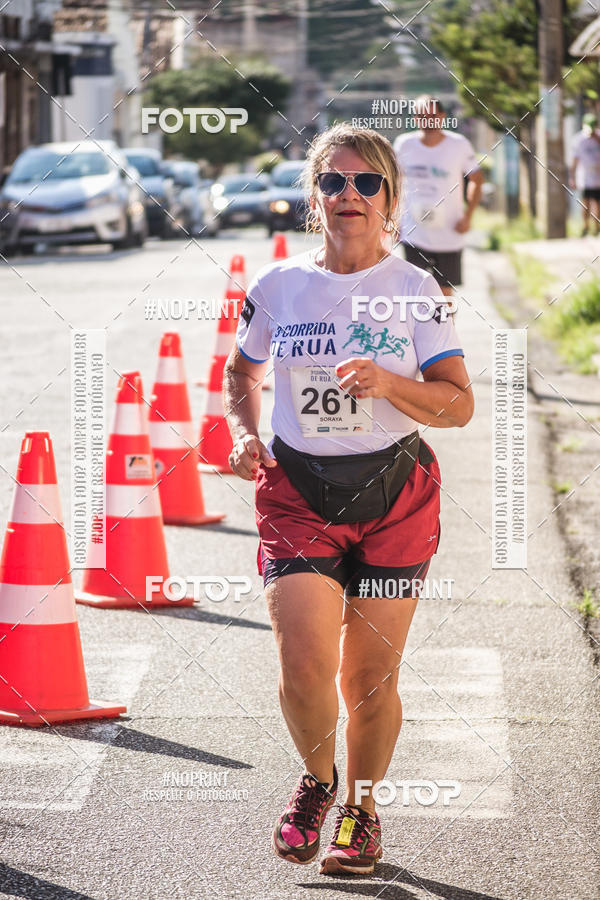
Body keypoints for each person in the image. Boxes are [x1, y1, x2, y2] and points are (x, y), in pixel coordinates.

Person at [223, 123, 474, 876]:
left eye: (367, 183)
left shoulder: (416, 289)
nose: (349, 195)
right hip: (299, 489)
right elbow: (244, 373)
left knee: (369, 680)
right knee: (304, 663)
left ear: (390, 200)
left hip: (394, 491)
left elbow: (457, 405)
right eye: (334, 182)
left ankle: (360, 811)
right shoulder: (277, 287)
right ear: (314, 197)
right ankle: (316, 782)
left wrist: (389, 382)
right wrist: (245, 432)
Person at [393, 95, 484, 298]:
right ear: (415, 119)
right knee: (414, 292)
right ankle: (416, 331)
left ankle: (446, 329)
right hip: (414, 232)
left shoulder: (459, 144)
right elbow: (394, 183)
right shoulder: (403, 144)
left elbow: (477, 179)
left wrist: (468, 217)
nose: (428, 121)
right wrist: (394, 219)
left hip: (449, 233)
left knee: (444, 293)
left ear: (442, 116)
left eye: (433, 116)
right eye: (422, 116)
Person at [569, 113, 600, 236]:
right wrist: (572, 177)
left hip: (598, 178)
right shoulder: (578, 140)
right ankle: (585, 226)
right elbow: (574, 160)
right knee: (585, 203)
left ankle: (597, 227)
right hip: (585, 177)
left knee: (598, 203)